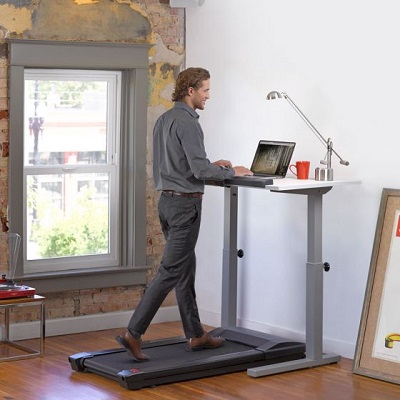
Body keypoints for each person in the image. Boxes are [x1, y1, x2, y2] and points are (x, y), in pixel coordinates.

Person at [116, 67, 252, 362]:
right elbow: (200, 171)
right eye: (205, 90)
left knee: (184, 268)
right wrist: (231, 171)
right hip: (185, 207)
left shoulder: (164, 119)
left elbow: (178, 164)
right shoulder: (189, 122)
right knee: (171, 271)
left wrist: (210, 163)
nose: (208, 96)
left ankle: (195, 335)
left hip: (166, 202)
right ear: (190, 90)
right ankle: (133, 333)